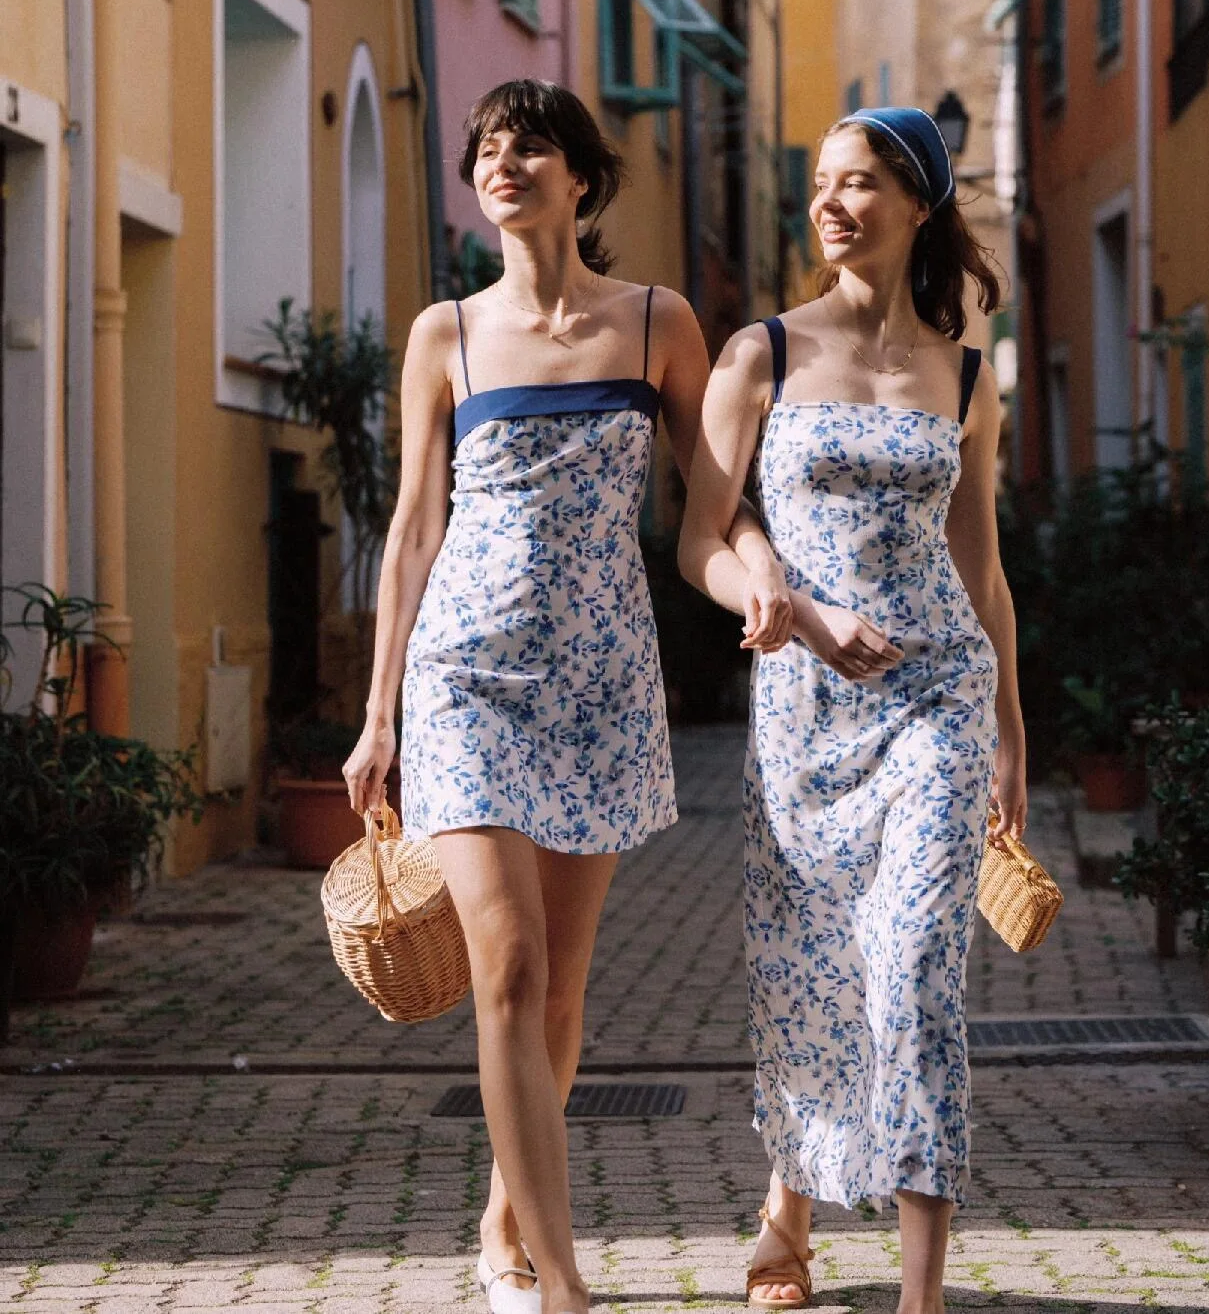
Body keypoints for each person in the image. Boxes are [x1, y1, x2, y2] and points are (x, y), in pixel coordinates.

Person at [340, 80, 788, 1314]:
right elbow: (411, 529)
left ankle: (499, 1221)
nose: (502, 163)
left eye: (528, 146)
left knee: (565, 993)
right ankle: (561, 1281)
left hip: (598, 684)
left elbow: (711, 494)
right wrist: (379, 711)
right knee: (509, 970)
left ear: (579, 180)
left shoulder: (655, 322)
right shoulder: (446, 333)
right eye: (486, 148)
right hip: (464, 679)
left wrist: (756, 579)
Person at [679, 106, 1029, 1312]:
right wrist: (784, 599)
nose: (833, 201)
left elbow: (981, 571)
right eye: (823, 182)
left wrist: (1009, 740)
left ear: (917, 202)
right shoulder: (757, 355)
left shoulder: (967, 370)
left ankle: (919, 1293)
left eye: (863, 181)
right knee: (814, 968)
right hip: (802, 712)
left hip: (937, 695)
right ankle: (789, 1210)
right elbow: (698, 541)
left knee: (916, 969)